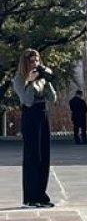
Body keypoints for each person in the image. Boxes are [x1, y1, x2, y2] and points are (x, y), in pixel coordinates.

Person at [12, 48, 56, 207]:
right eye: (32, 61)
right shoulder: (19, 79)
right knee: (32, 156)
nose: (35, 64)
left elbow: (53, 98)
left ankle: (41, 195)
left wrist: (47, 80)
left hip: (42, 115)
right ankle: (30, 197)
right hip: (30, 117)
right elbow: (27, 101)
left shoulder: (42, 78)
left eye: (37, 60)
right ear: (25, 63)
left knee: (44, 156)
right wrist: (30, 82)